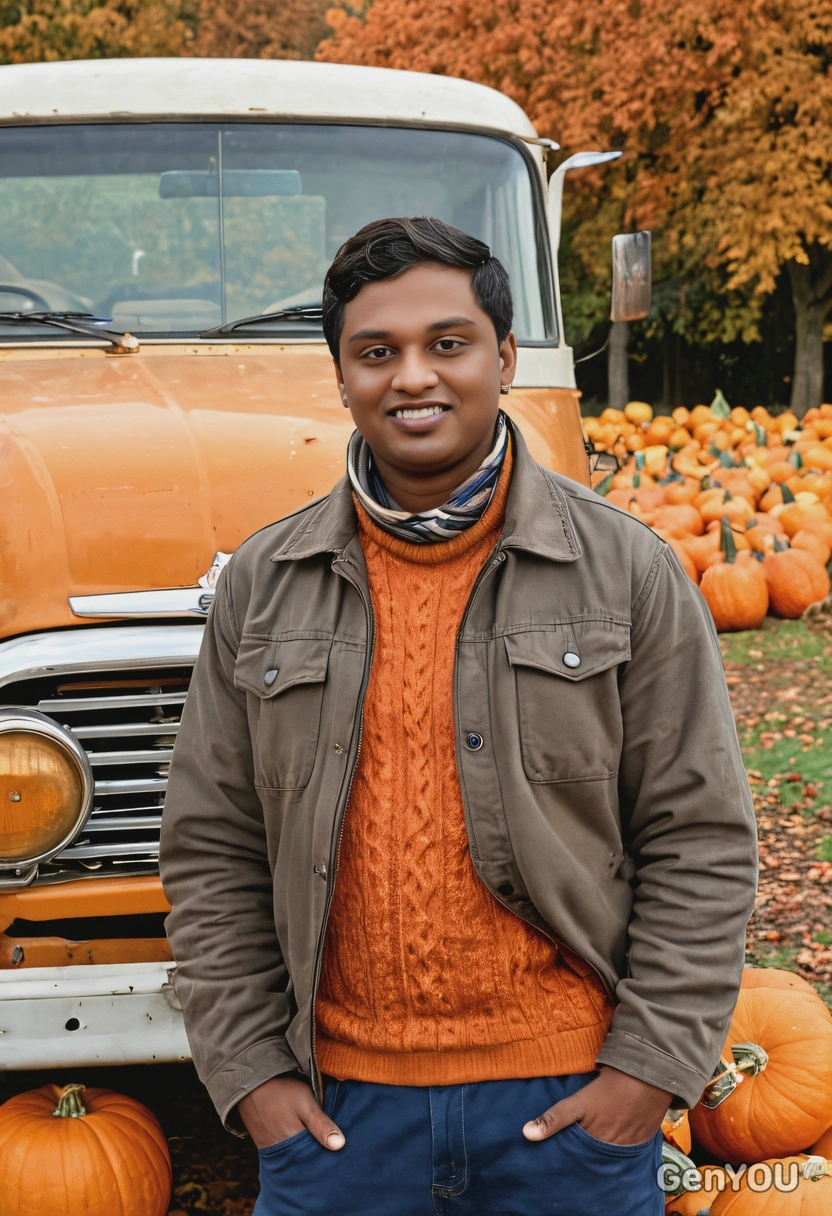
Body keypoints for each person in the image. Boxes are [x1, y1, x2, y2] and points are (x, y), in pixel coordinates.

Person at [159, 216, 757, 1215]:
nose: (413, 378)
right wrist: (251, 1074)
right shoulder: (267, 582)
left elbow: (698, 838)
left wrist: (646, 1071)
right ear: (341, 375)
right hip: (336, 1119)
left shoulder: (624, 571)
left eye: (447, 343)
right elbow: (211, 846)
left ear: (504, 357)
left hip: (569, 1112)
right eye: (376, 352)